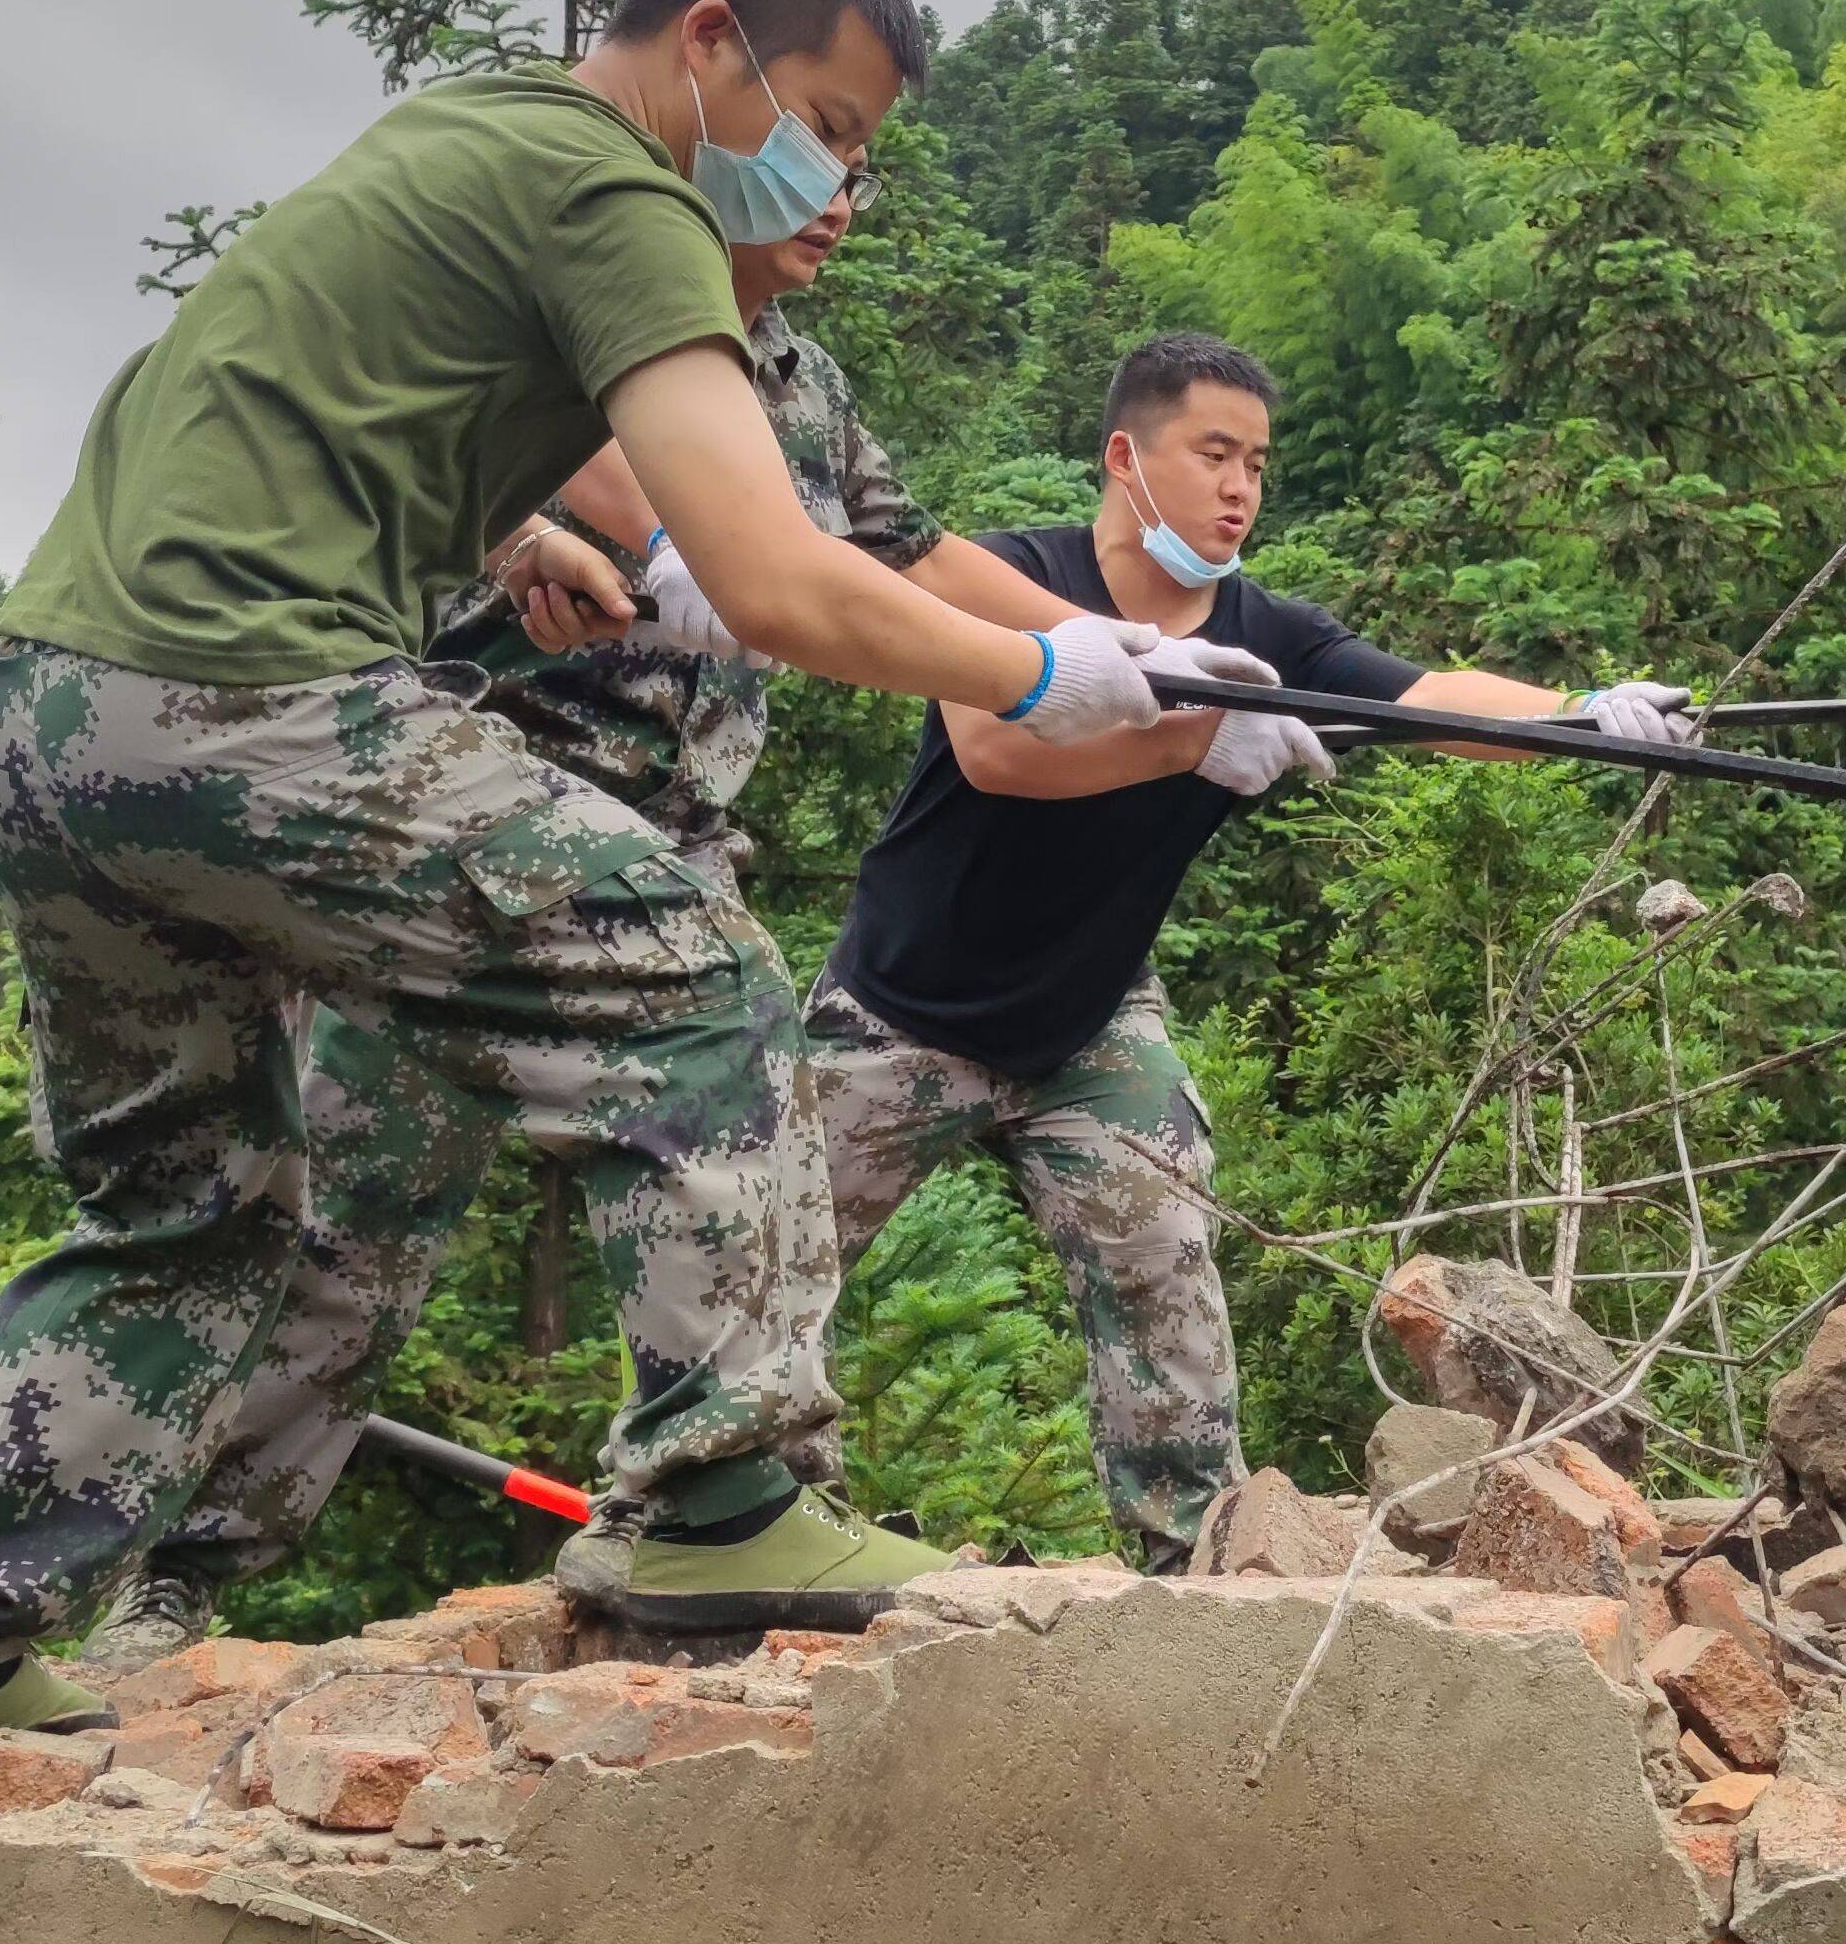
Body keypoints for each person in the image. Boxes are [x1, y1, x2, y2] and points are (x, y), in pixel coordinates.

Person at [0, 0, 1175, 1776]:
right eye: (828, 124)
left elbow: (253, 396)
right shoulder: (620, 192)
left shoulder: (451, 131)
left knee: (187, 1204)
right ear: (707, 45)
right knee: (692, 977)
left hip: (50, 714)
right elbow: (780, 572)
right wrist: (1039, 679)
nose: (829, 176)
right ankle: (718, 1492)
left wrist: (497, 523)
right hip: (247, 701)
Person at [564, 330, 1696, 1601]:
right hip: (899, 1009)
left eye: (1258, 465)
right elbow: (999, 750)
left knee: (1165, 1269)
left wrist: (1581, 720)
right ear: (1125, 456)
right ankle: (689, 1522)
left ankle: (1200, 1572)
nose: (1238, 489)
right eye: (1212, 453)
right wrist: (1194, 744)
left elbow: (1430, 700)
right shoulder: (1005, 576)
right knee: (758, 1266)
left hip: (1093, 1020)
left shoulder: (1266, 634)